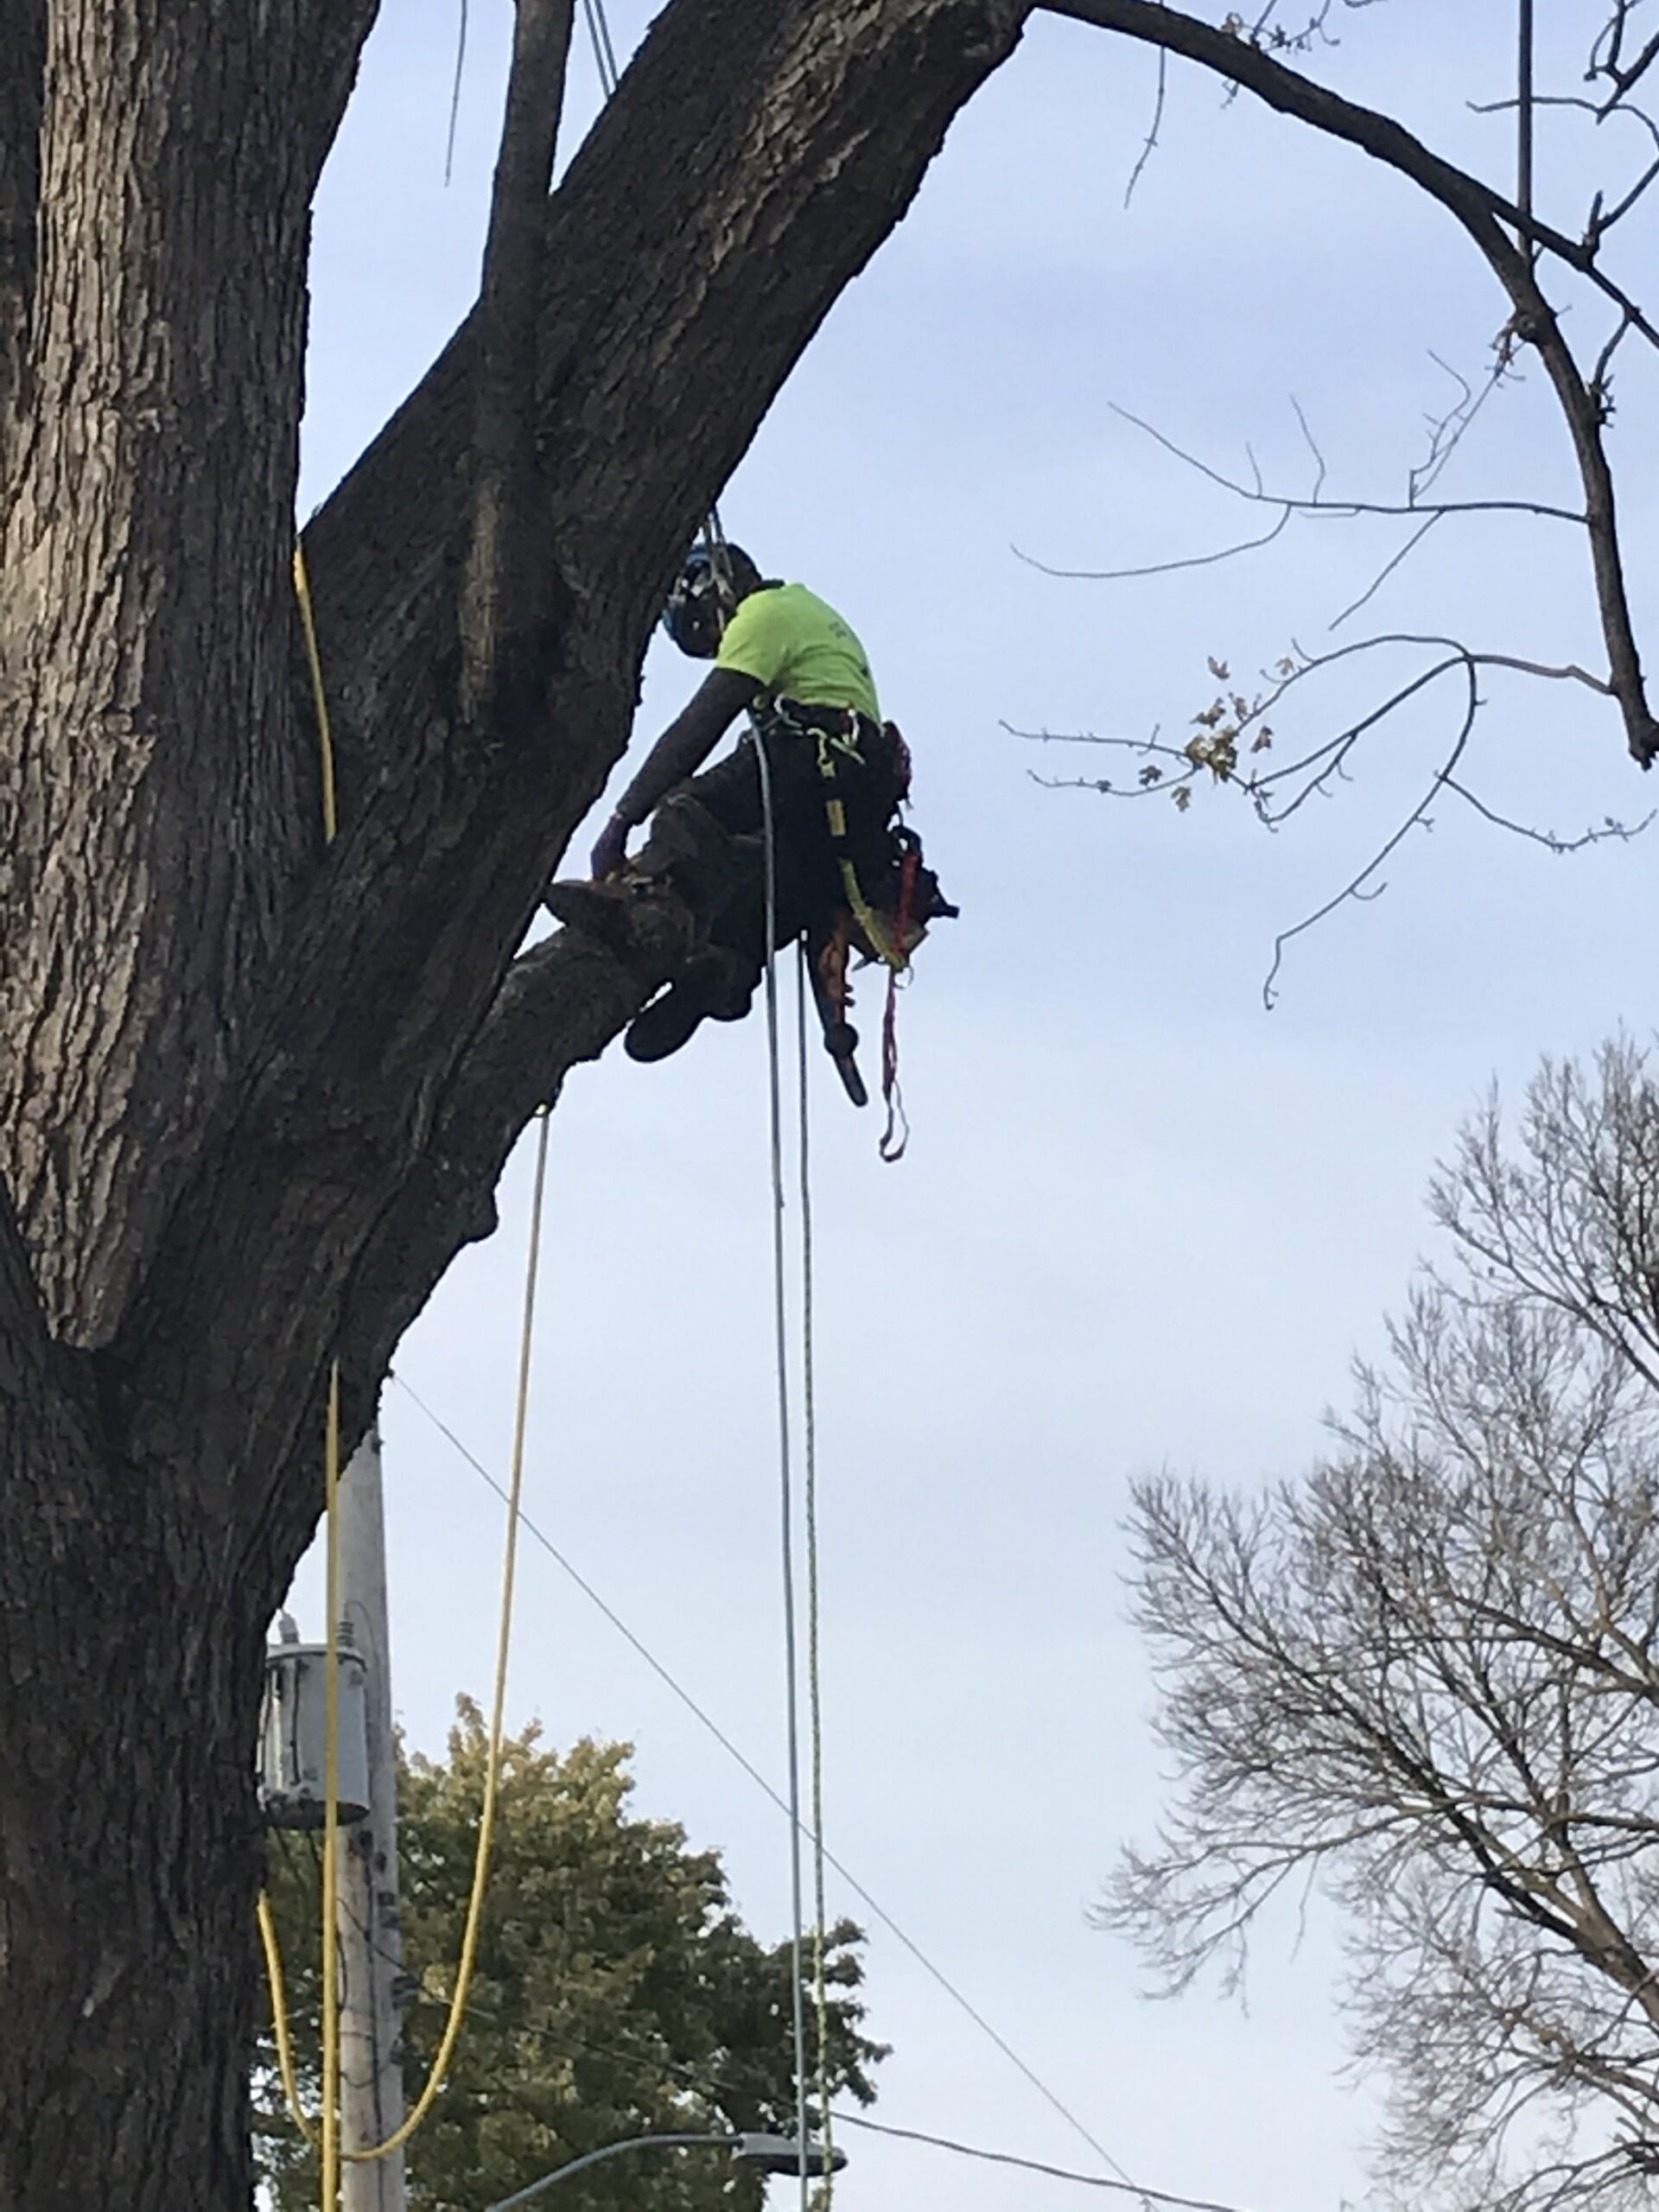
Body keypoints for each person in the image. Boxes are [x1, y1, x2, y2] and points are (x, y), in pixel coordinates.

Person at [545, 541, 952, 1102]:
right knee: (759, 898)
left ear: (713, 594)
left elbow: (700, 724)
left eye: (709, 634)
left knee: (689, 809)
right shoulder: (811, 616)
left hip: (810, 761)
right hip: (848, 811)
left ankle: (641, 906)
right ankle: (721, 970)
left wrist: (622, 821)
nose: (718, 647)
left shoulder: (763, 615)